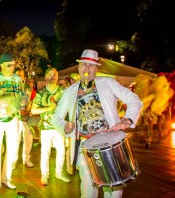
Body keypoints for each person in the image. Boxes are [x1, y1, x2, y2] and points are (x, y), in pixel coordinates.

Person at [52, 49, 143, 198]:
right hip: (85, 148)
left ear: (96, 69)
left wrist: (128, 119)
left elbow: (134, 100)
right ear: (79, 67)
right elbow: (56, 117)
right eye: (84, 65)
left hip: (111, 147)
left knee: (113, 193)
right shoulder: (69, 91)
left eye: (91, 66)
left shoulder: (107, 83)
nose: (87, 68)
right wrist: (64, 127)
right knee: (88, 193)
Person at [0, 53, 23, 197]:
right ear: (1, 65)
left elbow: (21, 98)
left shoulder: (18, 79)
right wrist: (7, 97)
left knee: (12, 151)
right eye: (9, 65)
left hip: (13, 119)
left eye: (14, 64)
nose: (12, 67)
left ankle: (6, 178)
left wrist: (17, 104)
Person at [31, 67, 70, 186]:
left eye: (54, 75)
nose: (52, 77)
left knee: (62, 151)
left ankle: (59, 172)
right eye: (49, 75)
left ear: (57, 77)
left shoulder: (63, 91)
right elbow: (33, 110)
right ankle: (45, 174)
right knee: (45, 152)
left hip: (60, 127)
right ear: (45, 78)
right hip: (46, 127)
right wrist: (49, 108)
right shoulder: (41, 92)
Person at [13, 68, 34, 168]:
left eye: (21, 75)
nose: (19, 77)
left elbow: (29, 101)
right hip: (16, 117)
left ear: (24, 77)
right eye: (17, 75)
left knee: (28, 139)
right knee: (15, 139)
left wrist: (28, 110)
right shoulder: (11, 88)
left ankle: (26, 159)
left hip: (26, 117)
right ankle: (13, 160)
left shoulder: (27, 88)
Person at [65, 72, 80, 175]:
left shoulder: (80, 91)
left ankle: (77, 164)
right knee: (69, 145)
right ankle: (69, 166)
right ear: (70, 80)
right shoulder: (67, 91)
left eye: (76, 79)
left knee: (77, 145)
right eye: (72, 79)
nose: (74, 81)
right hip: (67, 122)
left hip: (77, 123)